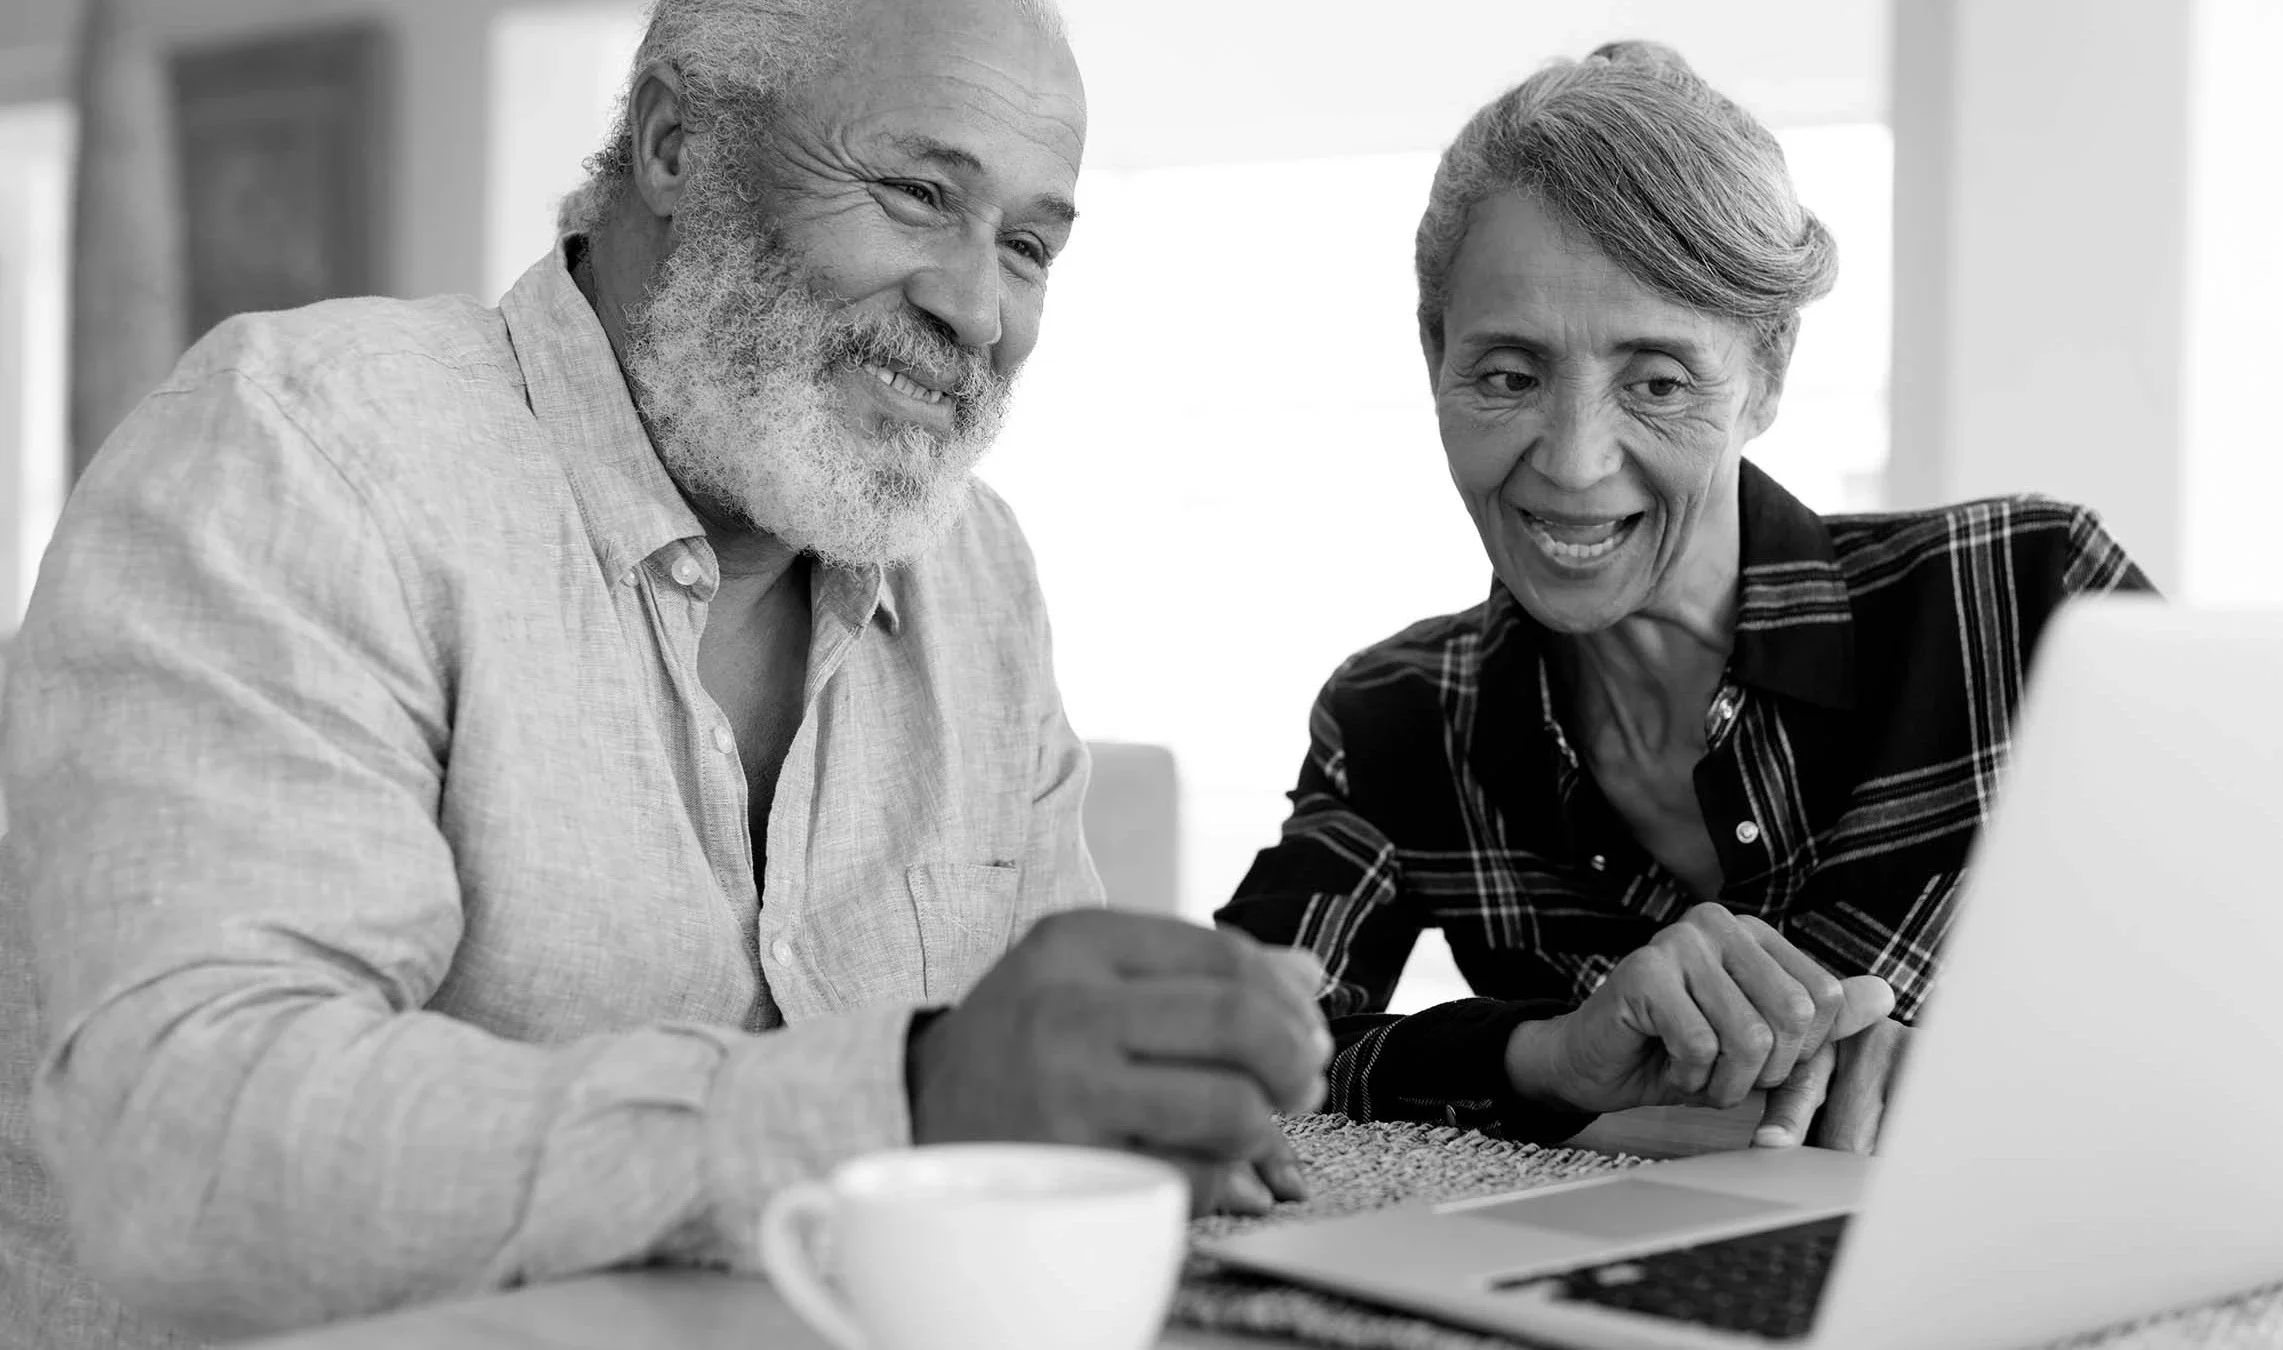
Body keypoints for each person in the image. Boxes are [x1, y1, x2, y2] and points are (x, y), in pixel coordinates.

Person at [0, 1, 1336, 1345]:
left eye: (1030, 245)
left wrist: (1134, 1107)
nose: (977, 307)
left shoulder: (978, 577)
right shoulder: (306, 453)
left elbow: (1025, 1102)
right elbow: (194, 1151)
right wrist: (906, 1092)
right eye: (920, 191)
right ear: (675, 144)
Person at [1218, 41, 2153, 1152]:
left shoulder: (2027, 599)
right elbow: (1241, 1052)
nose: (1571, 463)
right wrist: (1553, 1055)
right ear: (1435, 358)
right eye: (1508, 376)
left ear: (1766, 374)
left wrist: (1997, 1070)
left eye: (1656, 382)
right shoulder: (1401, 716)